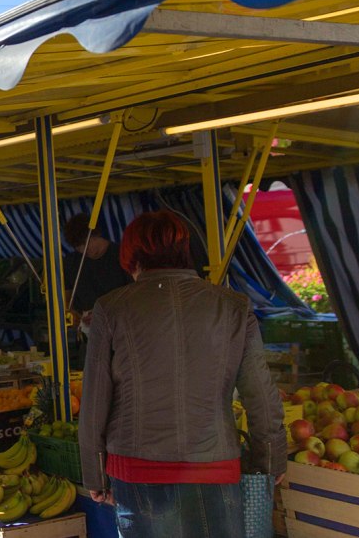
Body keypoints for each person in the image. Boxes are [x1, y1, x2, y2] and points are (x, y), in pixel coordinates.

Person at [79, 211, 285, 538]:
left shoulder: (111, 308)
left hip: (136, 468)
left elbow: (94, 403)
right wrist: (270, 459)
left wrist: (94, 476)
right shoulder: (234, 306)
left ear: (131, 256)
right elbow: (260, 393)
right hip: (215, 467)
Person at [63, 212, 133, 320]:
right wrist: (72, 314)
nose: (82, 250)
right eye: (78, 247)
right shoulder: (71, 262)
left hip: (121, 321)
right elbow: (66, 297)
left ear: (95, 234)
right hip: (87, 326)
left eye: (85, 243)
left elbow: (134, 293)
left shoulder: (122, 256)